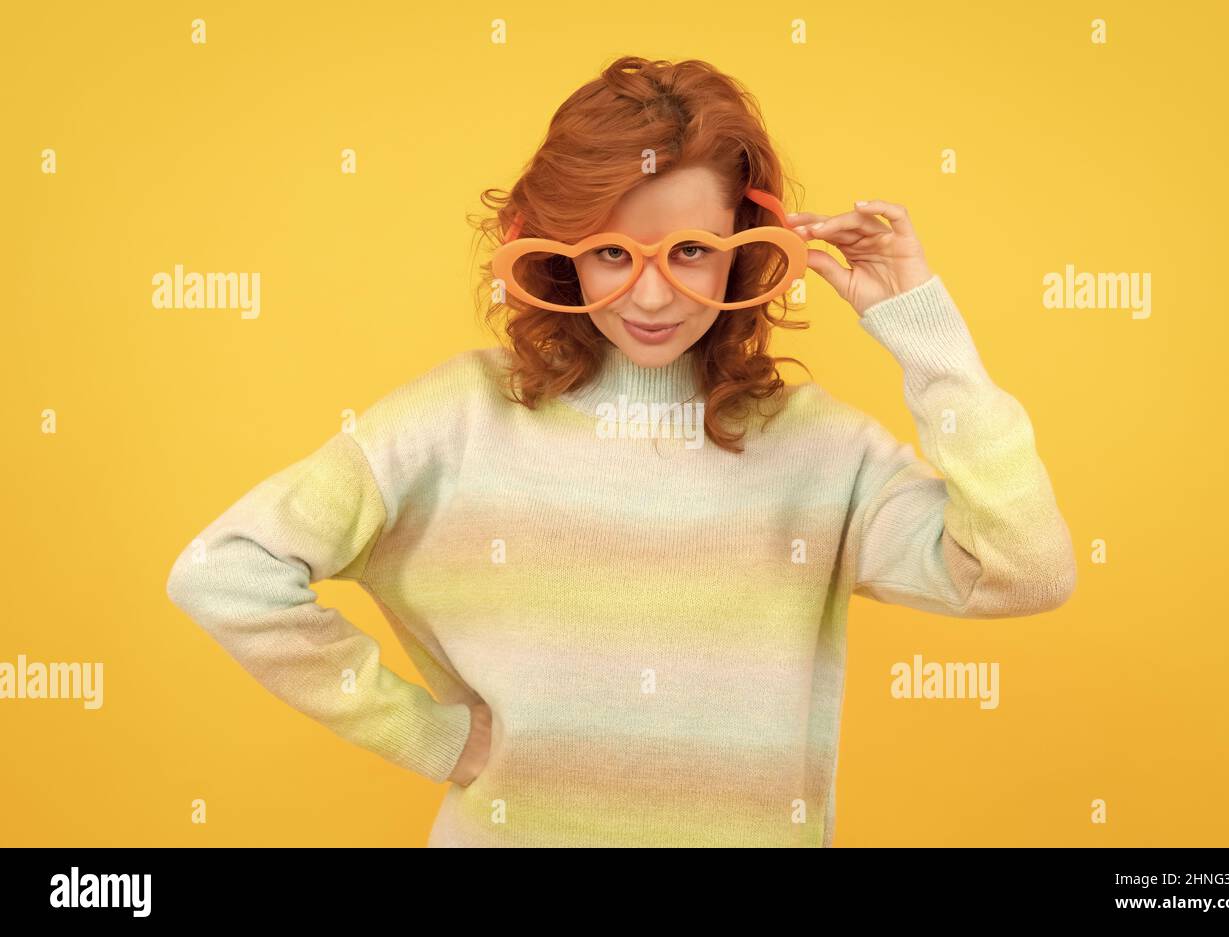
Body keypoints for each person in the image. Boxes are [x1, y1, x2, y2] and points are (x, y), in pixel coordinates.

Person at [165, 55, 1075, 847]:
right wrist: (432, 736)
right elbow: (224, 570)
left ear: (743, 255)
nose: (651, 294)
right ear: (560, 254)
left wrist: (923, 332)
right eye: (611, 253)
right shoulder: (458, 419)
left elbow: (1023, 571)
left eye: (690, 250)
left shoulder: (817, 449)